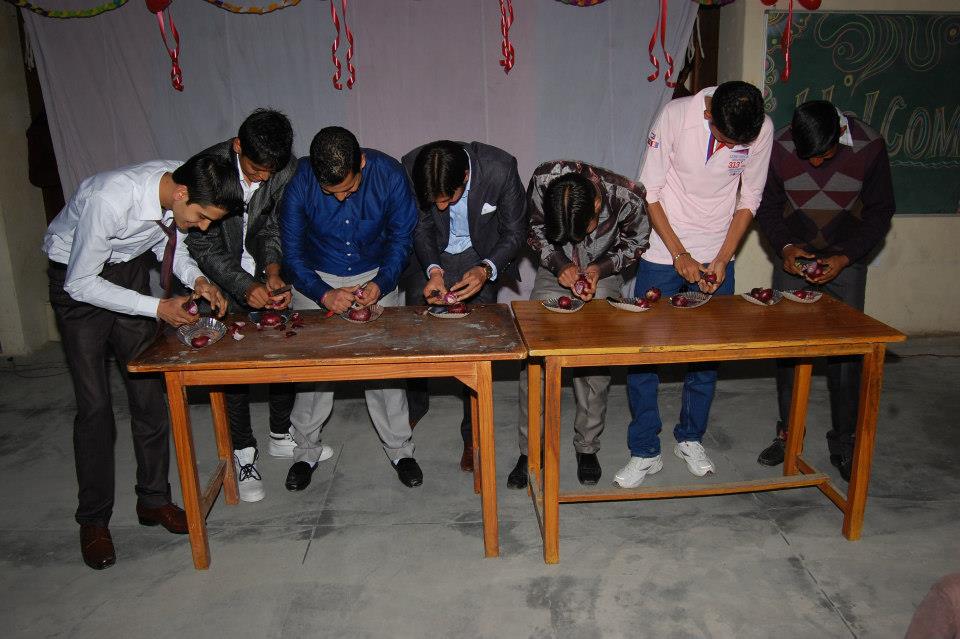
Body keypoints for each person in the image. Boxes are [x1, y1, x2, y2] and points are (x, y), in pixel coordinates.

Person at [43, 152, 243, 570]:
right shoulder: (109, 200)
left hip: (127, 269)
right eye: (202, 217)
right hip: (77, 280)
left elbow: (167, 241)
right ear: (182, 194)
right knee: (95, 407)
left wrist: (198, 279)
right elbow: (81, 282)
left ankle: (153, 500)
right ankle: (93, 521)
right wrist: (155, 308)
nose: (202, 227)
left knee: (149, 392)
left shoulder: (180, 181)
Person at [615, 80, 774, 489]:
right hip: (662, 251)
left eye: (738, 144)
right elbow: (650, 191)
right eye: (724, 139)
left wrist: (722, 258)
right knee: (644, 355)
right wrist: (679, 254)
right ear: (707, 114)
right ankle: (645, 450)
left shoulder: (759, 128)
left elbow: (749, 198)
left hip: (717, 251)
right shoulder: (676, 116)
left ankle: (690, 438)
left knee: (706, 354)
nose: (730, 148)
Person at [754, 100, 894, 481]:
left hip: (846, 260)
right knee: (789, 350)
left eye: (824, 155)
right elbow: (766, 206)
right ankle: (788, 435)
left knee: (847, 356)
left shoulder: (870, 147)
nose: (815, 163)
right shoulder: (780, 147)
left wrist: (845, 257)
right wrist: (785, 248)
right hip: (794, 259)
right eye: (808, 157)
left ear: (839, 135)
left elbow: (881, 211)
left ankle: (844, 442)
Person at [280, 126, 421, 489]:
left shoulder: (389, 175)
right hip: (316, 277)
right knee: (313, 369)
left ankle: (400, 449)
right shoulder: (299, 182)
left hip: (376, 273)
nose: (342, 198)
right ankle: (305, 451)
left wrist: (381, 283)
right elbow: (291, 254)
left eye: (350, 188)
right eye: (332, 193)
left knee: (385, 367)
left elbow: (402, 238)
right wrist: (323, 293)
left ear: (361, 162)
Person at [506, 161, 650, 489]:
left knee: (595, 363)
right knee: (535, 358)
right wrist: (560, 264)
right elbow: (535, 229)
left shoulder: (628, 196)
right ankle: (530, 450)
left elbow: (637, 243)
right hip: (554, 269)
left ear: (597, 205)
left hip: (603, 272)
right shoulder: (544, 180)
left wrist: (600, 268)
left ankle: (587, 446)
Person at [185, 109, 302, 503]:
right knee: (233, 369)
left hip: (260, 269)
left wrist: (272, 271)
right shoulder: (206, 169)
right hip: (220, 276)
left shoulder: (285, 169)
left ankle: (281, 433)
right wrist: (243, 284)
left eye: (271, 171)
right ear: (238, 147)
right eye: (255, 170)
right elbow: (201, 244)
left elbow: (273, 224)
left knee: (283, 351)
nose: (264, 178)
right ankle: (244, 453)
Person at [401, 140, 526, 473]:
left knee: (476, 346)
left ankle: (473, 436)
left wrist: (485, 269)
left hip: (480, 255)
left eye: (448, 198)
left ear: (466, 176)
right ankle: (415, 405)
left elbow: (515, 231)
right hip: (432, 254)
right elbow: (421, 225)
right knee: (415, 334)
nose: (441, 206)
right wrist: (433, 270)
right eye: (435, 200)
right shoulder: (411, 165)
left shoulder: (500, 168)